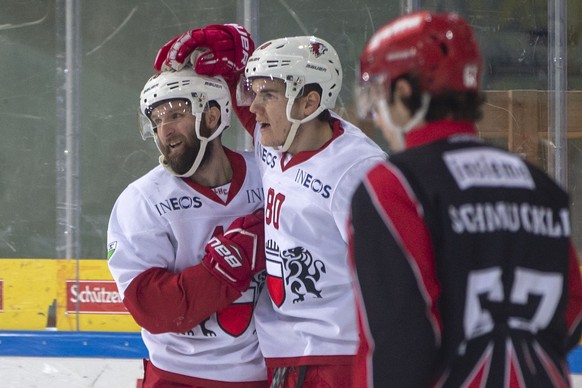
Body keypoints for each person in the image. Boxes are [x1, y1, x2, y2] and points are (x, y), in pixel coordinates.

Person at [349, 10, 582, 387]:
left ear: (406, 92)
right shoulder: (539, 185)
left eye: (378, 94)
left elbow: (399, 340)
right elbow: (571, 311)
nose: (376, 115)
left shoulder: (393, 186)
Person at [154, 24, 386, 387]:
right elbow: (260, 117)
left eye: (269, 94)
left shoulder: (359, 172)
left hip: (340, 363)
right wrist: (233, 61)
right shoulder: (279, 140)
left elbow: (395, 279)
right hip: (285, 360)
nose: (253, 106)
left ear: (309, 102)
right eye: (254, 91)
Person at [107, 65, 269, 387]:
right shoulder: (142, 200)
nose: (164, 130)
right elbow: (152, 308)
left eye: (175, 114)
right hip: (178, 379)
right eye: (156, 121)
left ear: (211, 116)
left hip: (268, 376)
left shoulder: (266, 174)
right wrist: (223, 269)